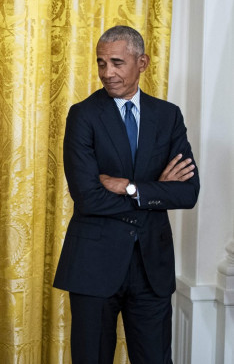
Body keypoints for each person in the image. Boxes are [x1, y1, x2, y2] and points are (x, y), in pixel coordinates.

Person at [53, 26, 200, 363]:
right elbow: (88, 196)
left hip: (152, 269)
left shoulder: (168, 116)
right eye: (101, 63)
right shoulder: (83, 115)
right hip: (94, 266)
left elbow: (188, 192)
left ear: (142, 62)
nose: (108, 73)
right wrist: (156, 191)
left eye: (117, 63)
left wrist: (131, 187)